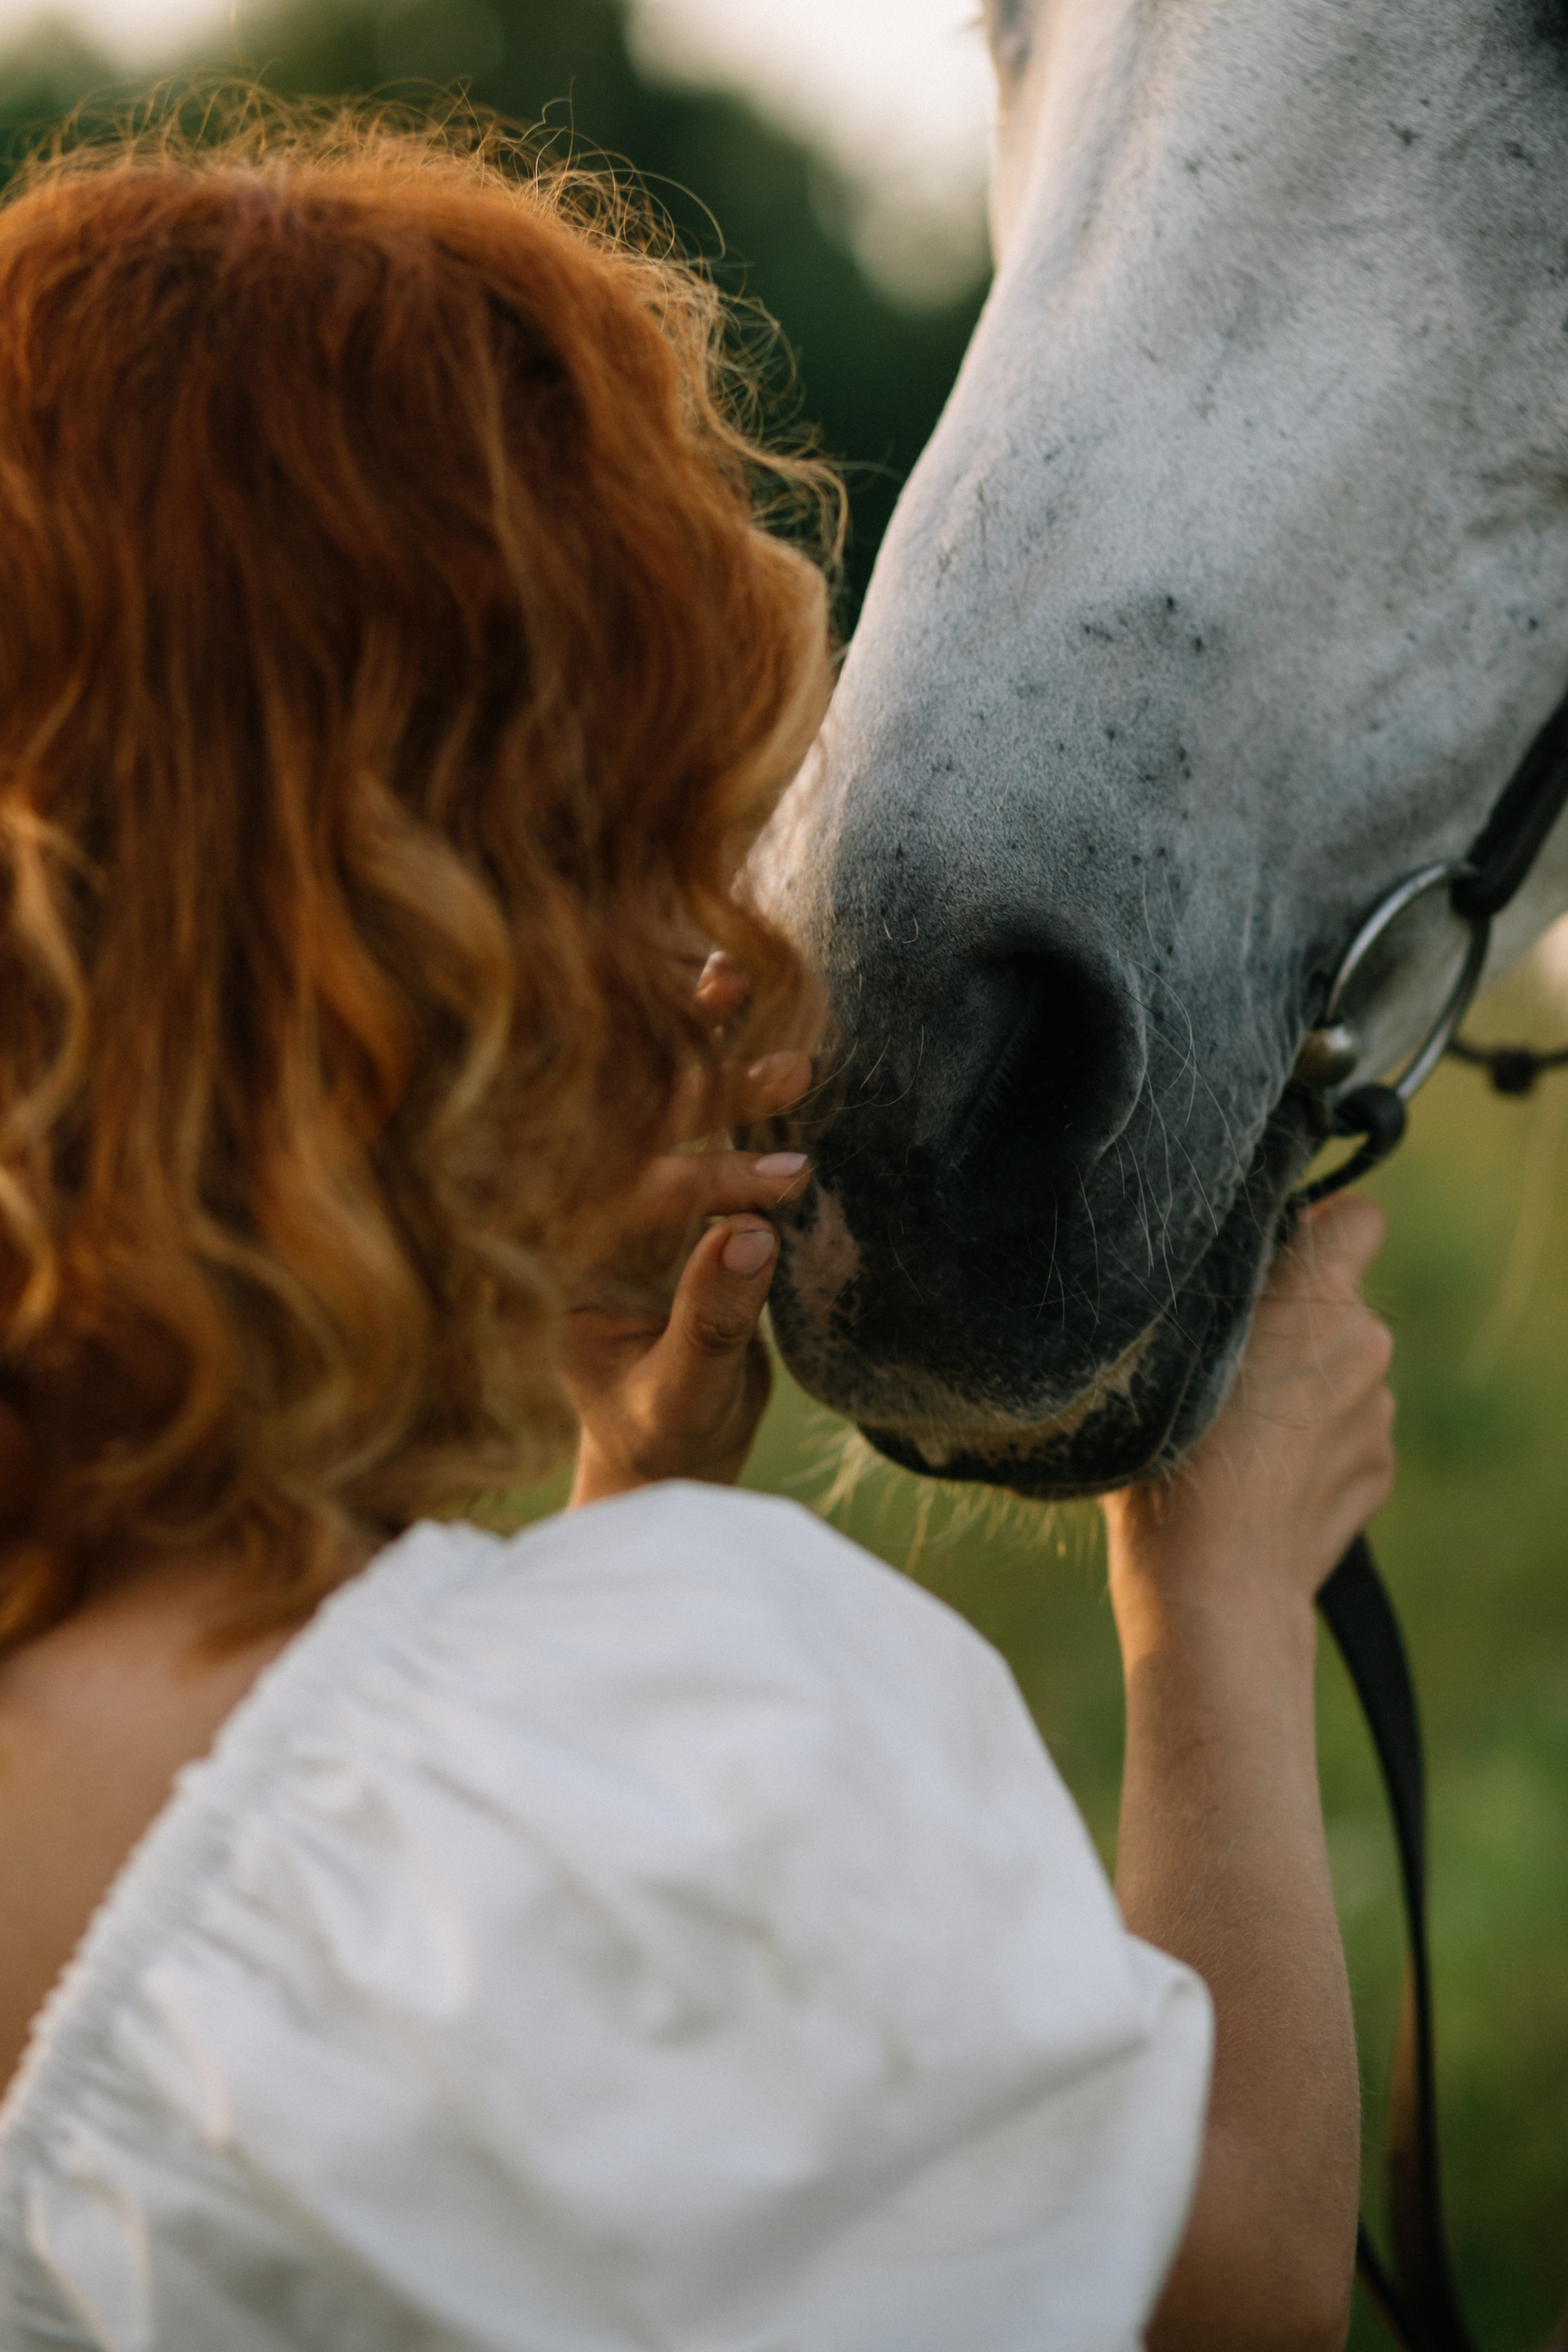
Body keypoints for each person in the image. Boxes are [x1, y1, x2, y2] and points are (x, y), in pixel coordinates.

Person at [0, 113, 1395, 2352]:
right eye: (661, 842)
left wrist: (613, 1509)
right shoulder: (633, 1758)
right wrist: (1220, 1604)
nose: (737, 957)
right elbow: (1224, 2289)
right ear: (430, 940)